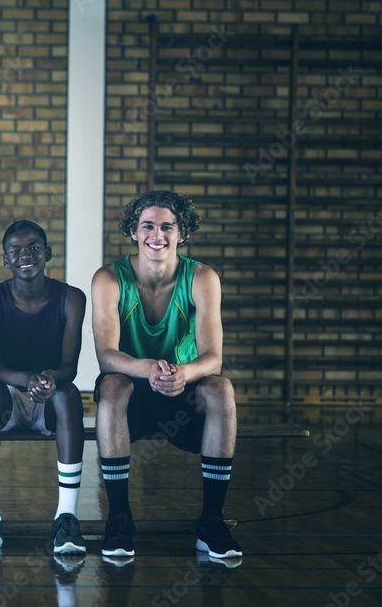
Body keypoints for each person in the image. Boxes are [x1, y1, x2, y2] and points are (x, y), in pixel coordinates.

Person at [92, 190, 240, 560]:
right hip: (134, 393)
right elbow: (106, 356)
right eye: (148, 226)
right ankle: (120, 518)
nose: (157, 235)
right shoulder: (109, 278)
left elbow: (214, 358)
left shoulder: (203, 278)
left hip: (181, 390)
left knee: (221, 389)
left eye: (167, 227)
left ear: (182, 233)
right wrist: (150, 369)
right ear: (133, 232)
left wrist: (183, 372)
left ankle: (211, 521)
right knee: (110, 386)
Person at [0, 220, 87, 557]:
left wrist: (49, 379)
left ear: (47, 253)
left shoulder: (72, 298)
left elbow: (70, 367)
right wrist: (26, 380)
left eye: (34, 247)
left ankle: (67, 518)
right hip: (9, 396)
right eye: (15, 250)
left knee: (70, 395)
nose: (25, 255)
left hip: (50, 397)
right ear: (5, 260)